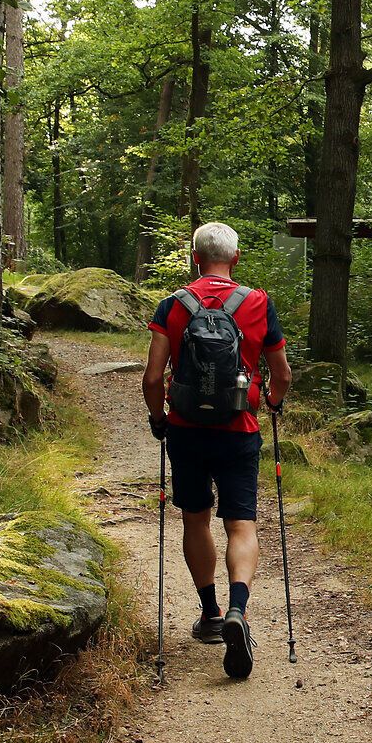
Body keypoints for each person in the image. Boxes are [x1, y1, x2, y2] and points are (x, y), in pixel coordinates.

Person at [142, 221, 292, 679]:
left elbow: (152, 379)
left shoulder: (173, 305)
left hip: (187, 429)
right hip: (238, 428)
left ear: (194, 258)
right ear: (236, 259)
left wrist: (159, 419)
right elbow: (281, 374)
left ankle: (209, 615)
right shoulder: (257, 304)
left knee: (195, 518)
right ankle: (238, 610)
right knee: (241, 523)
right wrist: (272, 402)